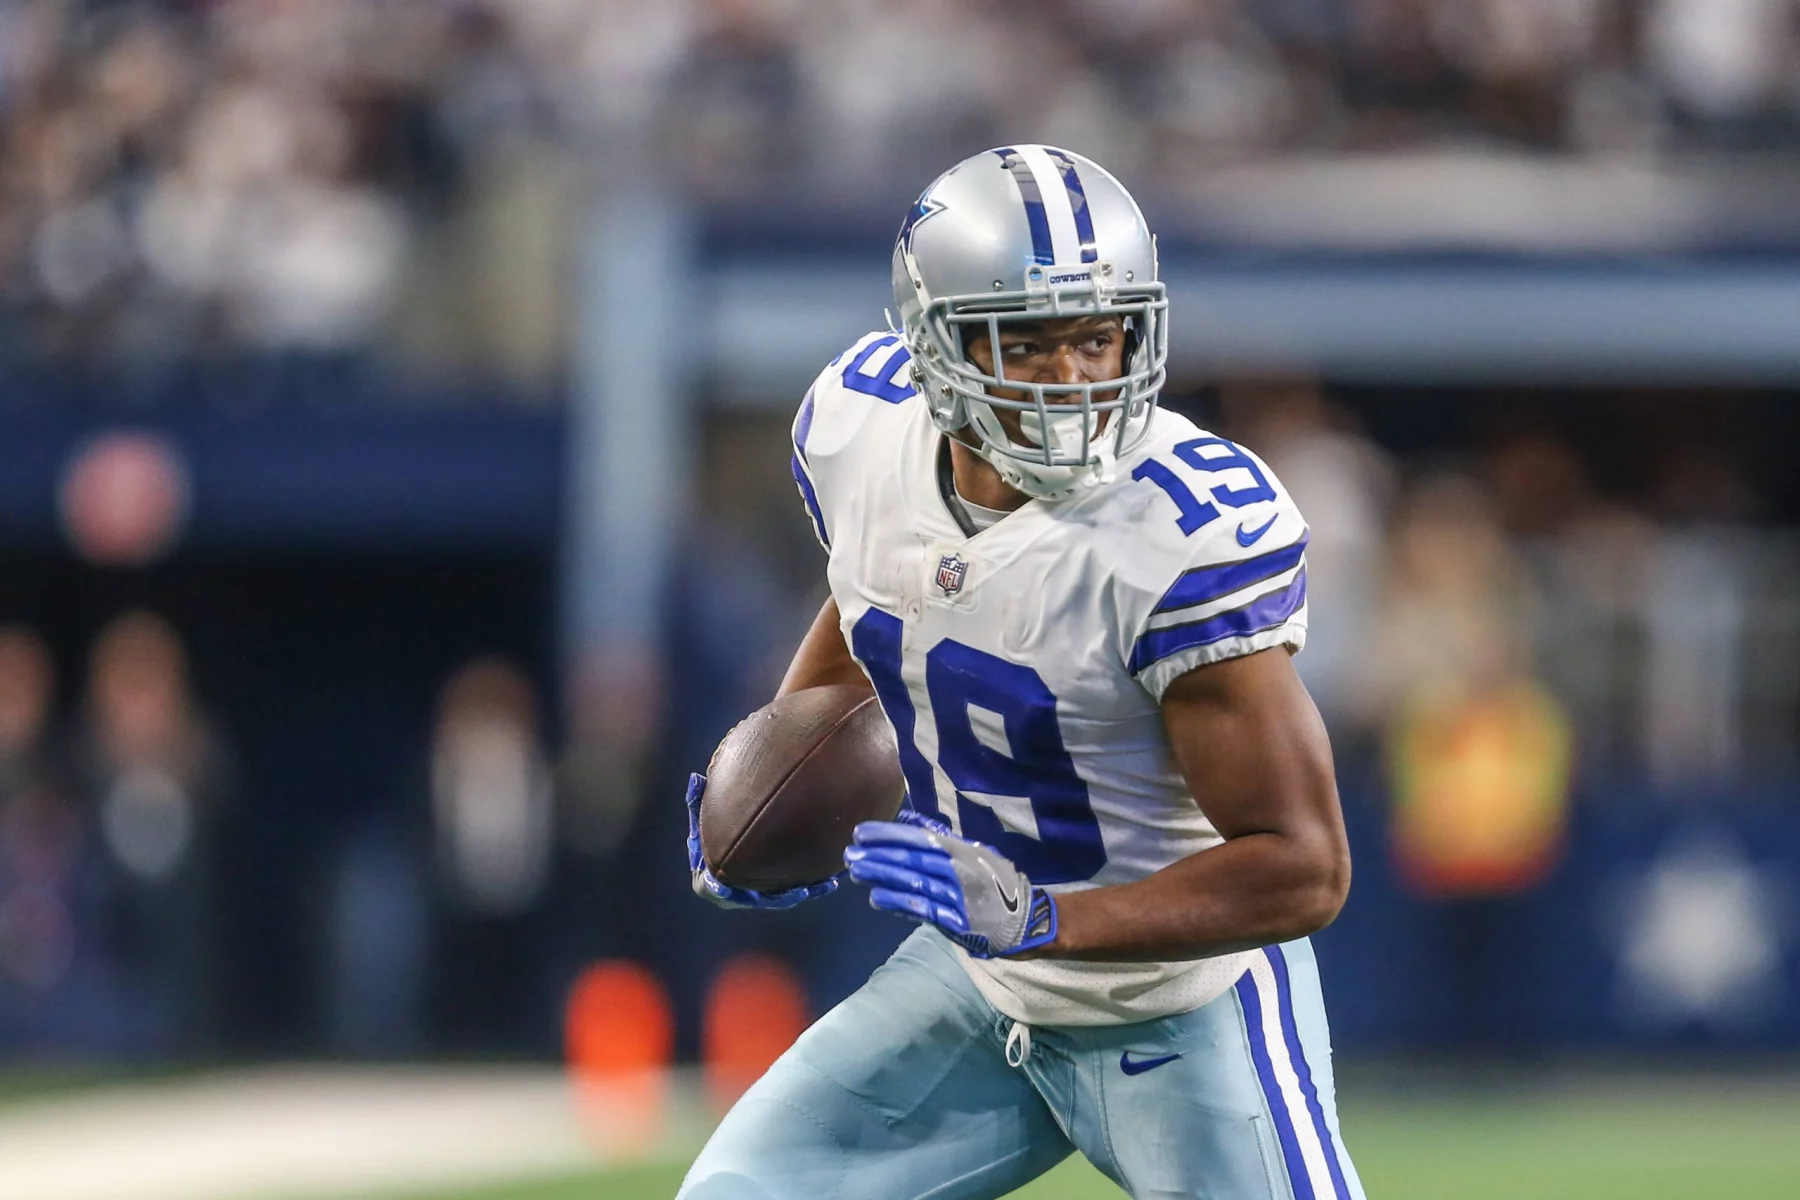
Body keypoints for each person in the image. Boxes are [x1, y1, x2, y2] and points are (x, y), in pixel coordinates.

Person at [679, 145, 1363, 1199]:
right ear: (933, 347)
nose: (1078, 379)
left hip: (1180, 1003)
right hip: (979, 985)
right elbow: (877, 590)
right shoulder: (862, 432)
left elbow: (1305, 864)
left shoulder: (1179, 533)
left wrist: (1049, 920)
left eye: (1099, 338)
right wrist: (781, 776)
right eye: (1029, 345)